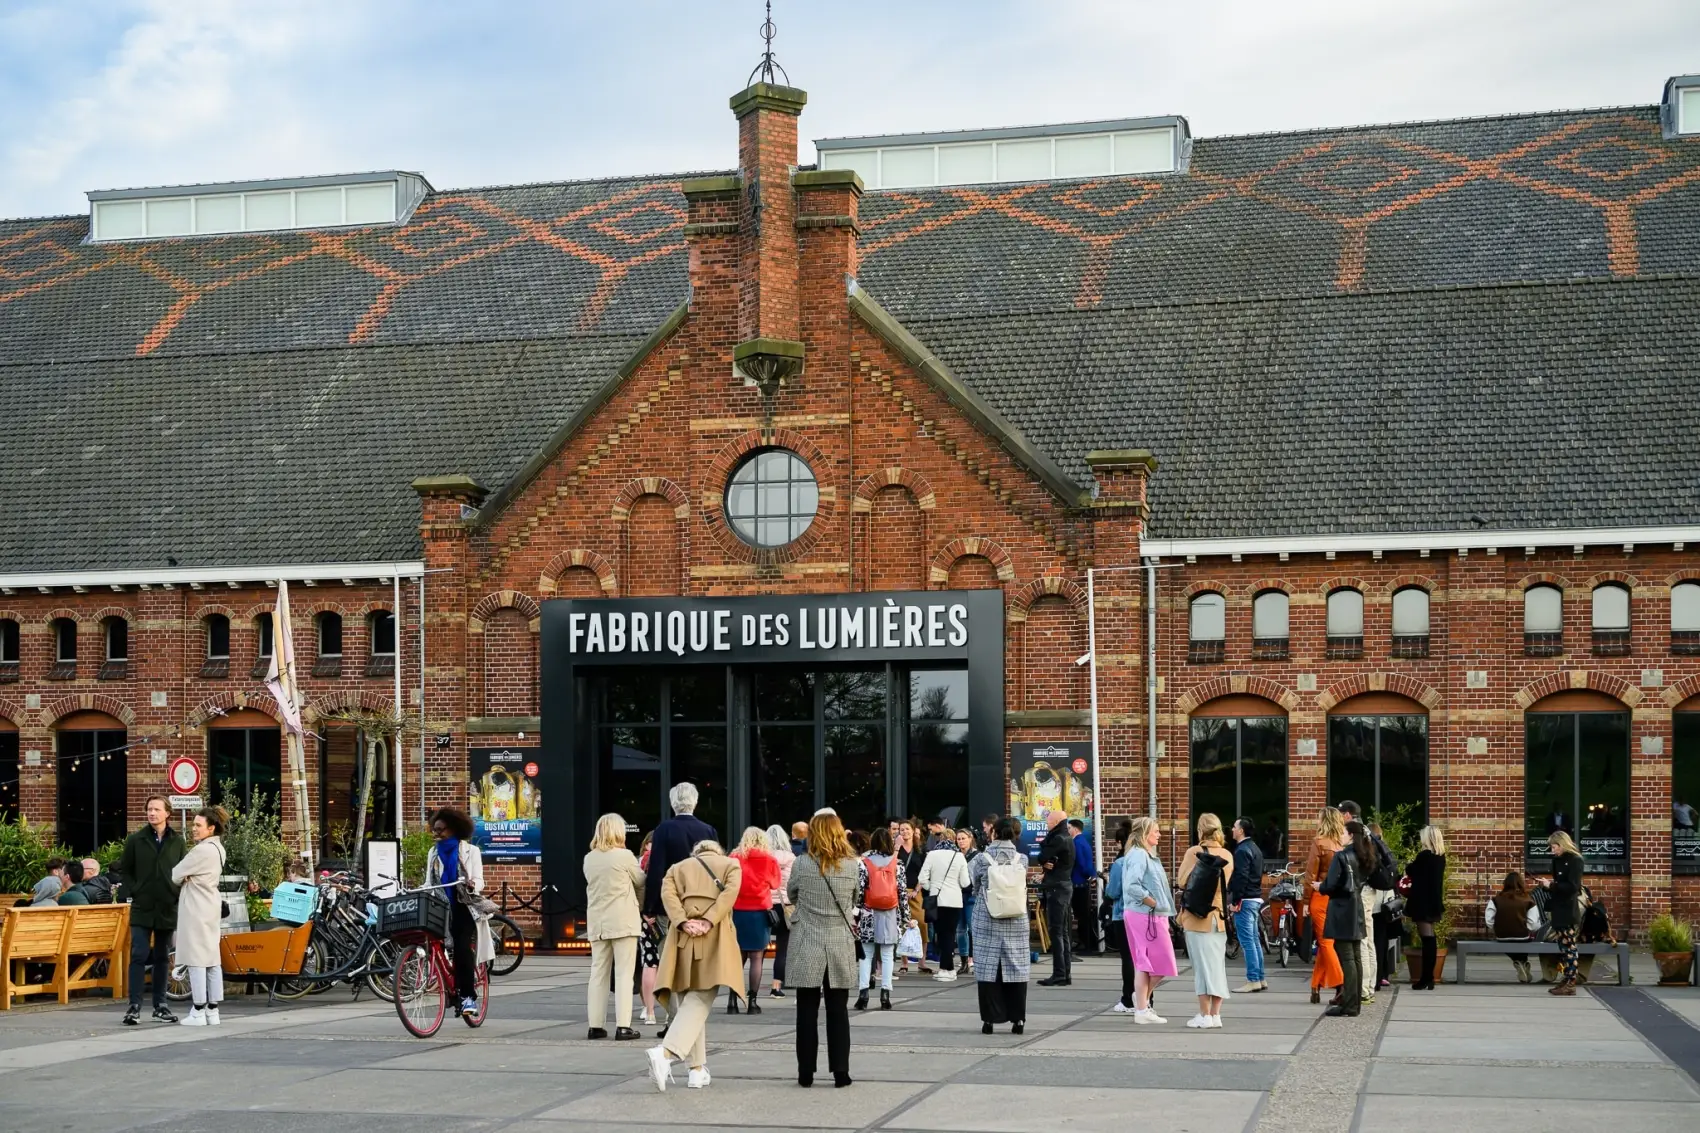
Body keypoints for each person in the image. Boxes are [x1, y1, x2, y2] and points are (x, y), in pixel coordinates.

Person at [646, 838, 743, 1092]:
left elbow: (667, 895)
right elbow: (729, 896)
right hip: (715, 936)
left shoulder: (677, 868)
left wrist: (682, 921)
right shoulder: (731, 866)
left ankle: (697, 1071)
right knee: (701, 997)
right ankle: (666, 1053)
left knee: (689, 998)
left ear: (696, 853)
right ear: (717, 851)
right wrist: (709, 920)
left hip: (682, 937)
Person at [786, 811, 865, 1088]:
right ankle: (841, 1072)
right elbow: (855, 898)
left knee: (806, 1010)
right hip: (839, 941)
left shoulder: (801, 864)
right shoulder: (852, 866)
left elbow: (791, 894)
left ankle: (805, 1072)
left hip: (807, 938)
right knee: (838, 1009)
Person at [119, 795, 187, 1025]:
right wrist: (135, 890)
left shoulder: (177, 841)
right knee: (138, 954)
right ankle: (134, 1006)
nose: (152, 813)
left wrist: (175, 893)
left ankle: (161, 1005)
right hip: (142, 907)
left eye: (157, 809)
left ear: (167, 813)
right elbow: (125, 870)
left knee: (161, 957)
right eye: (149, 809)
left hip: (167, 906)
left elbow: (182, 870)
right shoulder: (136, 840)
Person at [427, 806, 496, 1016]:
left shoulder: (470, 851)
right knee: (432, 943)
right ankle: (443, 981)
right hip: (441, 905)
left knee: (462, 947)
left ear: (454, 829)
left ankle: (468, 997)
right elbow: (429, 881)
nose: (437, 834)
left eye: (441, 830)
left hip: (463, 905)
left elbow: (480, 880)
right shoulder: (432, 853)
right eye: (435, 830)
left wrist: (472, 884)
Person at [583, 812, 645, 1040]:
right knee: (624, 973)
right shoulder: (625, 856)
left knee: (598, 972)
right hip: (623, 920)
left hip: (597, 921)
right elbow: (641, 881)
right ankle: (623, 1025)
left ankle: (595, 1025)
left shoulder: (589, 858)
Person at [969, 817, 1030, 1034]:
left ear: (993, 832)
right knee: (1016, 966)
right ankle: (1018, 1019)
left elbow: (972, 884)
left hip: (987, 916)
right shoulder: (1022, 859)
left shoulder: (981, 859)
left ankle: (990, 1020)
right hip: (1016, 918)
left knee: (988, 967)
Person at [170, 806, 228, 1027]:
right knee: (212, 959)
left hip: (195, 908)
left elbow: (176, 874)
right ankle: (213, 1010)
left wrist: (187, 878)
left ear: (210, 828)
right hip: (210, 906)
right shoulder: (218, 848)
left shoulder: (201, 851)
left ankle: (197, 1009)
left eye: (197, 825)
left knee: (196, 960)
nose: (193, 829)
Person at [1177, 813, 1234, 1029]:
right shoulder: (1227, 853)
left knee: (1201, 968)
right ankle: (1216, 1014)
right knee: (1217, 966)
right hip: (1218, 916)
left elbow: (1182, 882)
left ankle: (1204, 1014)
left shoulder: (1195, 852)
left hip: (1196, 917)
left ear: (1200, 829)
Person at [1120, 815, 1177, 1023]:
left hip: (1150, 914)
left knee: (1152, 963)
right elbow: (1131, 885)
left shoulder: (1142, 854)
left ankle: (1141, 1003)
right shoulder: (1139, 855)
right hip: (1144, 914)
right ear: (1145, 833)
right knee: (1153, 962)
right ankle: (1142, 1006)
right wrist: (1151, 901)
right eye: (1156, 831)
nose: (1159, 835)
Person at [1336, 800, 1391, 1003]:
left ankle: (1364, 989)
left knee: (1362, 939)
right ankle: (1369, 985)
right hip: (1371, 890)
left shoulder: (1357, 833)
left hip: (1363, 890)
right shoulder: (1368, 832)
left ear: (1348, 815)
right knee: (1369, 940)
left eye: (1340, 814)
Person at [1321, 820, 1375, 1017]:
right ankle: (1354, 1002)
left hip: (1342, 909)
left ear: (1351, 835)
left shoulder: (1342, 856)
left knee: (1347, 957)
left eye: (1343, 832)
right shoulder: (1365, 855)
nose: (1340, 835)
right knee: (1356, 957)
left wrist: (1321, 886)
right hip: (1356, 907)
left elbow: (1331, 884)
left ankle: (1349, 1004)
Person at [643, 782, 717, 921]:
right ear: (695, 802)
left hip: (670, 904)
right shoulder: (708, 830)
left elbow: (656, 871)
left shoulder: (663, 830)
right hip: (701, 903)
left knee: (668, 943)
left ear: (673, 803)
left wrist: (649, 907)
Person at [855, 826, 910, 1010]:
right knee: (887, 955)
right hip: (890, 912)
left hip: (868, 912)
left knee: (866, 955)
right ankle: (885, 994)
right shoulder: (898, 864)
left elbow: (859, 891)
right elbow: (902, 892)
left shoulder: (864, 862)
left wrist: (856, 913)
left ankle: (863, 993)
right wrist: (906, 917)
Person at [728, 827, 780, 1014]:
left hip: (737, 911)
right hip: (759, 910)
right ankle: (753, 1002)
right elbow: (775, 884)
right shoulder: (769, 860)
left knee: (737, 957)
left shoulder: (734, 858)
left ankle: (732, 1000)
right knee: (757, 957)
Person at [918, 816, 972, 981]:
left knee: (941, 934)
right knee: (950, 934)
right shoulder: (959, 857)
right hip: (954, 901)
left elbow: (922, 879)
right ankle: (948, 968)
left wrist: (932, 888)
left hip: (937, 900)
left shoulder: (932, 855)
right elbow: (965, 882)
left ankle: (945, 968)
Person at [1303, 806, 1346, 1005]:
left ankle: (1342, 985)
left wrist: (1304, 901)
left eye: (1319, 818)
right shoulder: (1343, 844)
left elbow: (1310, 875)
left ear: (1325, 820)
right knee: (1326, 943)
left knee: (1325, 943)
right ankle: (1316, 986)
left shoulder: (1319, 843)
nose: (1317, 821)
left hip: (1320, 897)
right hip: (1338, 899)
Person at [1539, 830, 1585, 996]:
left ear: (1562, 844)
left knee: (1569, 945)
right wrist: (1550, 884)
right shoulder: (1558, 861)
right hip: (1558, 907)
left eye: (1554, 847)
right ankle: (1567, 977)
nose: (1553, 850)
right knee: (1563, 946)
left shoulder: (1575, 860)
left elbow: (1573, 887)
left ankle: (1571, 980)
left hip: (1567, 908)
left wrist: (1551, 886)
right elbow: (1560, 883)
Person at [1403, 825, 1446, 991]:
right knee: (1430, 939)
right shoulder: (1440, 857)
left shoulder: (1424, 856)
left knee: (1427, 939)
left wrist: (1409, 865)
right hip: (1434, 901)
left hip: (1422, 902)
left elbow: (1411, 870)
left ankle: (1426, 978)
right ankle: (1429, 977)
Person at [1036, 809, 1075, 986]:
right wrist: (1048, 862)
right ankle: (1065, 973)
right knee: (1064, 932)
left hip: (1057, 888)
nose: (1047, 822)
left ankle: (1059, 973)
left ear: (1058, 821)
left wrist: (1045, 861)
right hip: (1064, 886)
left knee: (1057, 931)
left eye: (1049, 819)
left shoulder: (1058, 838)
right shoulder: (1066, 837)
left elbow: (1042, 854)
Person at [1228, 816, 1267, 992]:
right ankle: (1260, 977)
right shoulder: (1255, 848)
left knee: (1247, 942)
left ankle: (1253, 979)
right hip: (1255, 898)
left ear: (1241, 830)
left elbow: (1241, 877)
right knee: (1254, 940)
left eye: (1235, 827)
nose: (1232, 830)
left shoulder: (1242, 850)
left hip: (1245, 899)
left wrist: (1235, 900)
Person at [1105, 822, 1137, 1012]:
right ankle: (1146, 998)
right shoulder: (1149, 860)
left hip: (1122, 914)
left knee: (1128, 959)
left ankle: (1128, 999)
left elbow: (1113, 892)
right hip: (1143, 914)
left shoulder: (1120, 863)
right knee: (1142, 959)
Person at [1486, 871, 1541, 983]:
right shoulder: (1528, 900)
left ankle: (1519, 963)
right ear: (1521, 884)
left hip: (1502, 935)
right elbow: (1533, 924)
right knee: (1524, 943)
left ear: (1505, 884)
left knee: (1510, 944)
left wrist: (1498, 927)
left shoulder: (1495, 900)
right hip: (1522, 935)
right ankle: (1522, 962)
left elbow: (1489, 921)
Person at [636, 832, 666, 1027]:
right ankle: (670, 1011)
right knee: (667, 963)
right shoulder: (667, 862)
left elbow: (637, 888)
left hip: (645, 918)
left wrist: (644, 911)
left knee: (649, 963)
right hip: (665, 916)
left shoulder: (639, 862)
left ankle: (649, 1012)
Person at [766, 824, 797, 999]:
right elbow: (793, 882)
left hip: (765, 904)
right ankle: (776, 986)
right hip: (784, 905)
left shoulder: (763, 857)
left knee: (758, 950)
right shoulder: (791, 858)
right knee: (782, 947)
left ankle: (752, 986)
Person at [1069, 818, 1099, 954]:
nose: (1068, 831)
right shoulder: (1083, 842)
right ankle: (1086, 942)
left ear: (1075, 829)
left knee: (1081, 915)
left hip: (1078, 883)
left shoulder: (1076, 843)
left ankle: (1086, 944)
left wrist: (1088, 875)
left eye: (1069, 828)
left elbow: (1081, 863)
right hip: (1083, 882)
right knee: (1083, 914)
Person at [954, 828, 978, 973]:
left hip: (971, 895)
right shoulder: (955, 856)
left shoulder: (977, 856)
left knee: (973, 928)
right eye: (959, 839)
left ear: (970, 839)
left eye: (963, 838)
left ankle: (975, 960)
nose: (961, 841)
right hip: (957, 895)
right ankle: (963, 961)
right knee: (960, 929)